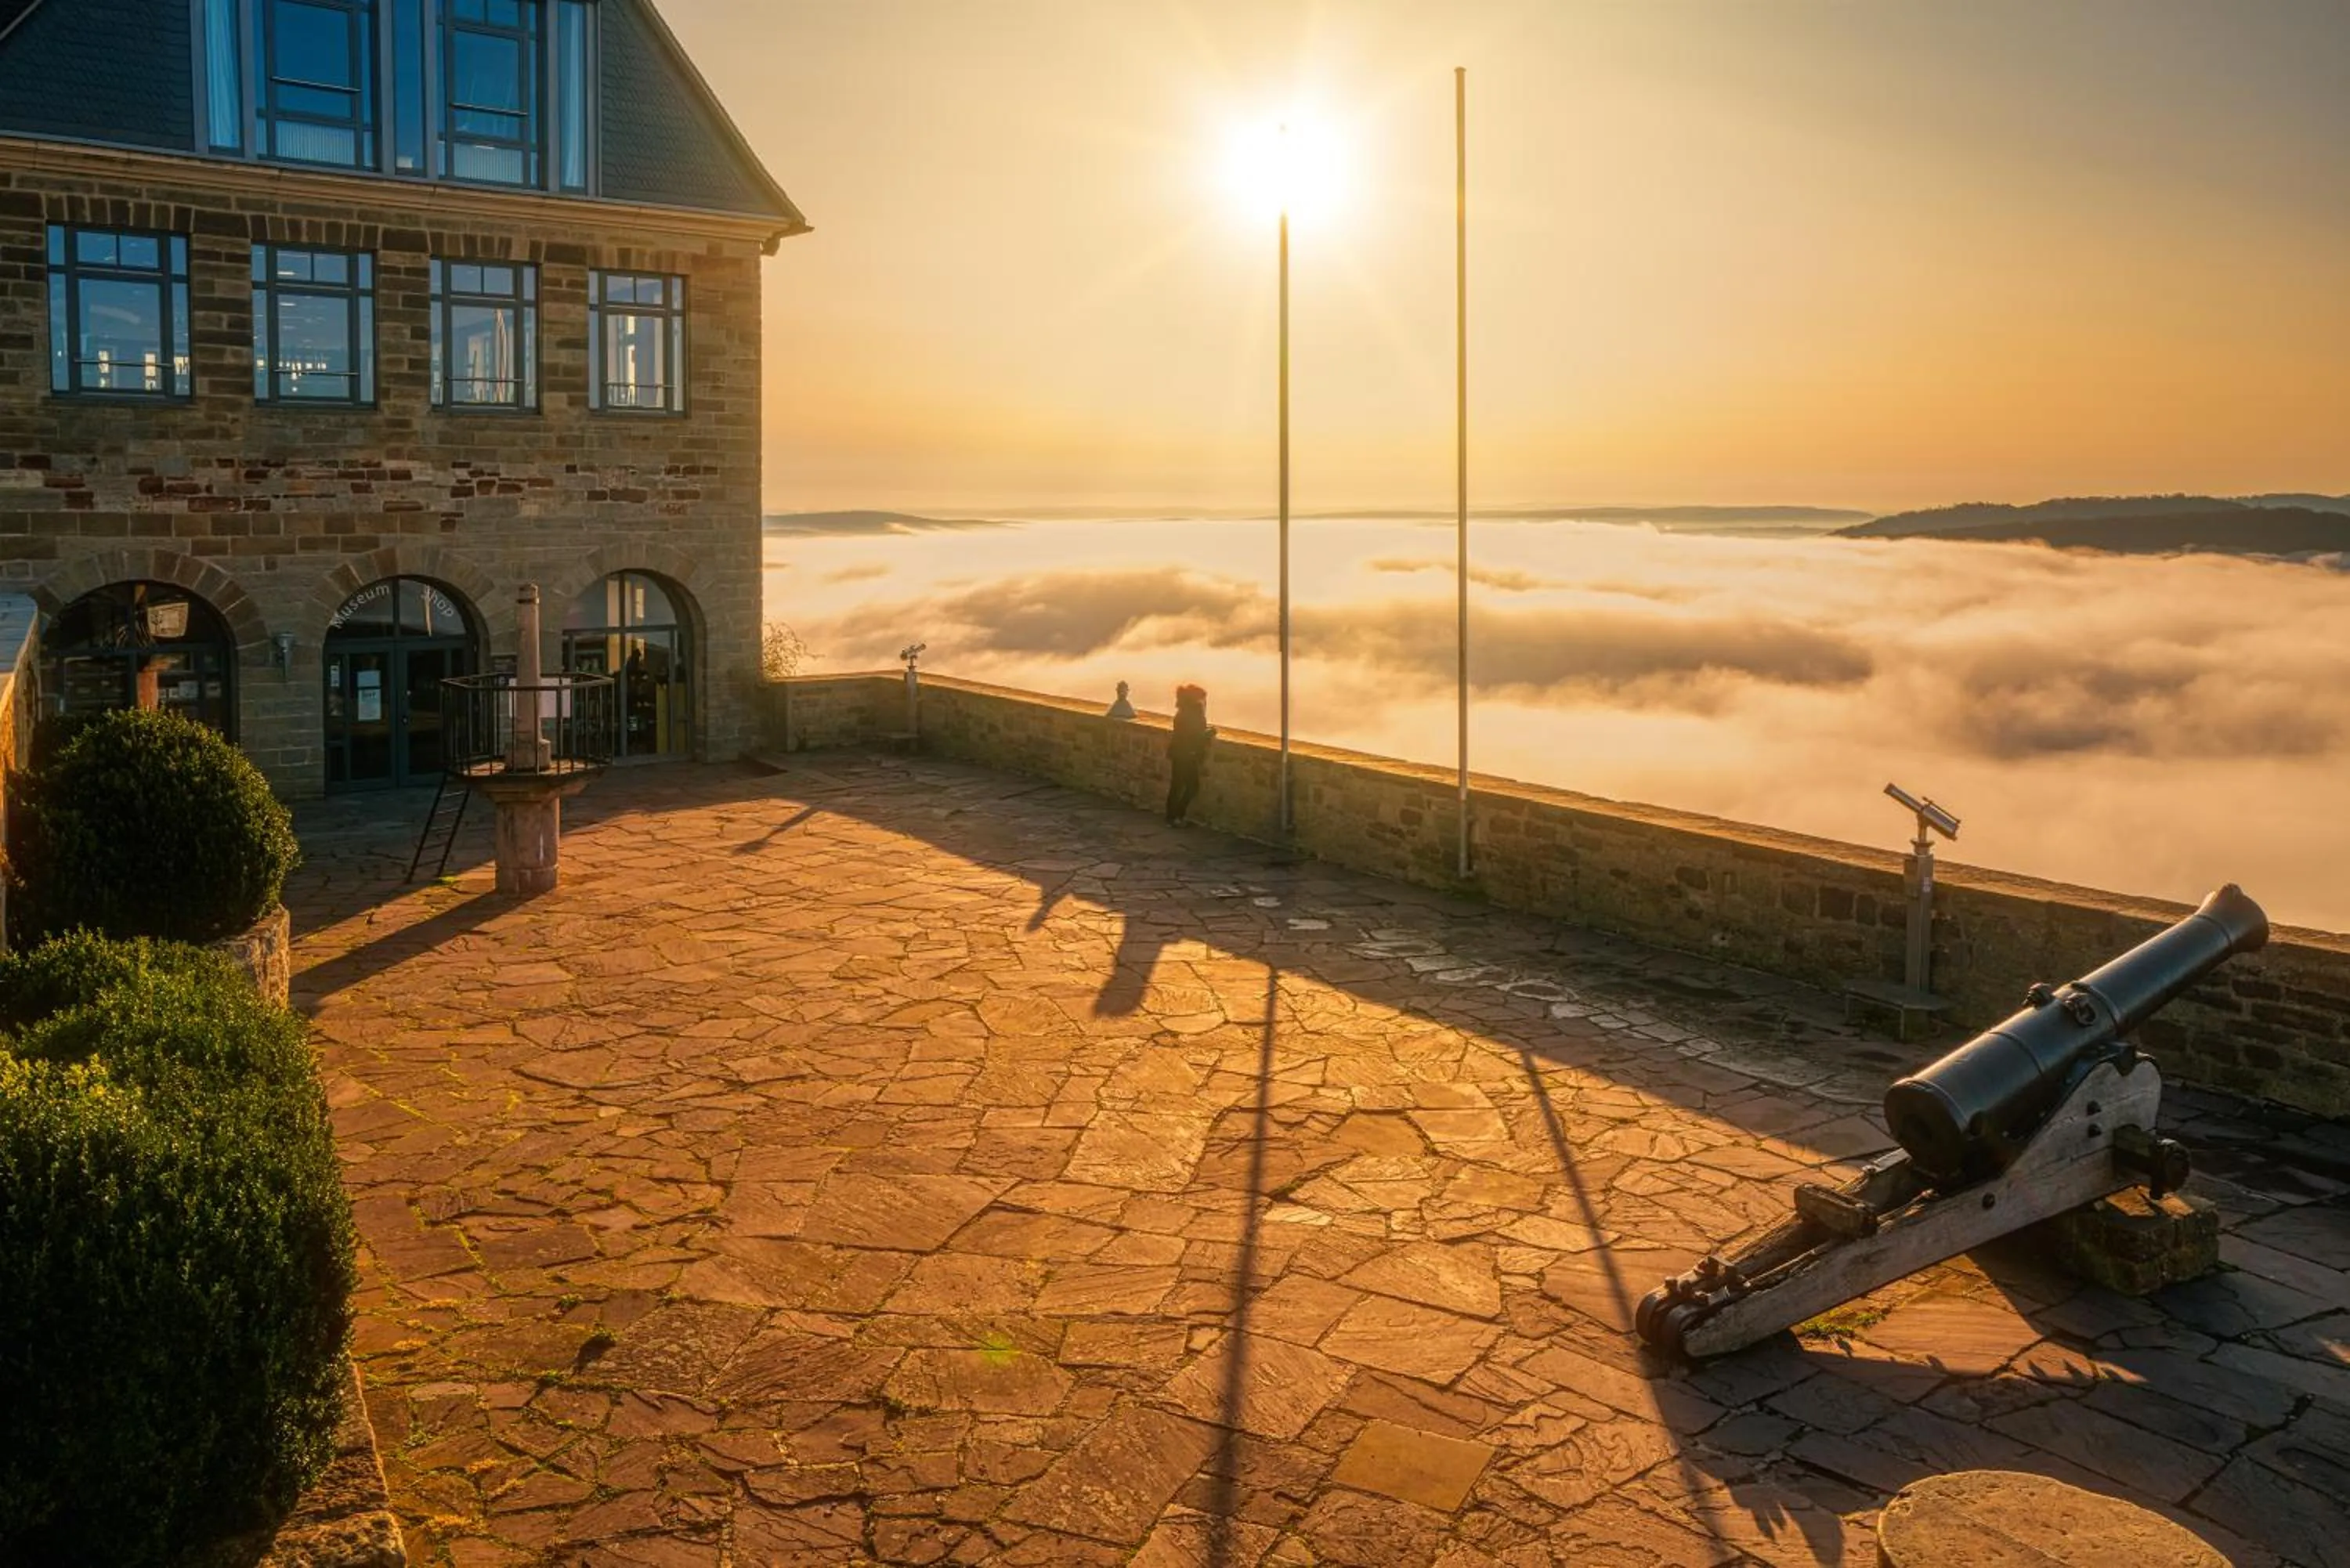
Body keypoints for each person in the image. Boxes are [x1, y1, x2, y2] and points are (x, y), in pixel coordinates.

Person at [1166, 683, 1213, 825]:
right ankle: (1178, 816)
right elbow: (1197, 736)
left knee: (1176, 785)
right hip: (1189, 754)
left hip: (1178, 753)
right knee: (1192, 787)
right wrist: (1211, 732)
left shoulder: (1181, 712)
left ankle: (1171, 817)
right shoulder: (1195, 714)